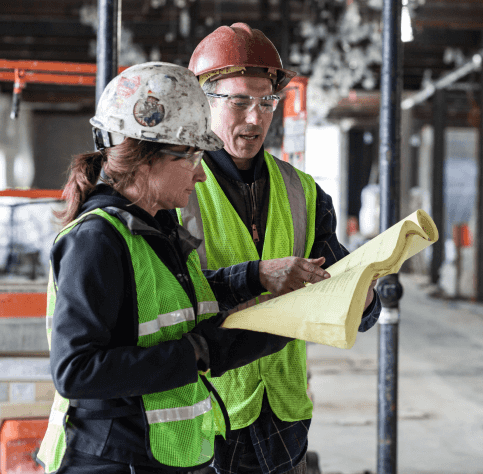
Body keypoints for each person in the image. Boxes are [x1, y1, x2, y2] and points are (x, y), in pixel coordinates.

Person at [37, 62, 292, 474]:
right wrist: (200, 350)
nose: (200, 175)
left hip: (155, 456)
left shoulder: (157, 226)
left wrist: (260, 288)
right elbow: (76, 371)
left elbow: (172, 303)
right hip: (109, 461)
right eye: (190, 156)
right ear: (143, 159)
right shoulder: (97, 240)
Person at [177, 23, 382, 474]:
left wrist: (364, 296)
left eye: (266, 101)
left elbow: (349, 294)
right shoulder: (175, 186)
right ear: (201, 102)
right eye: (239, 101)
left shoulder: (302, 192)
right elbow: (164, 297)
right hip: (207, 409)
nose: (256, 118)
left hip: (283, 414)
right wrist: (256, 274)